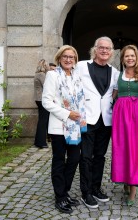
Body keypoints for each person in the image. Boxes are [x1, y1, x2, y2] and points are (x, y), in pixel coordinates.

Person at [42, 45, 86, 214]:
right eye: (65, 56)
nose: (68, 59)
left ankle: (64, 191)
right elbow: (47, 102)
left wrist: (80, 118)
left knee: (75, 158)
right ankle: (60, 197)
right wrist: (67, 114)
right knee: (59, 161)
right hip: (59, 126)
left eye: (71, 57)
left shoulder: (76, 76)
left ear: (75, 60)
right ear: (59, 58)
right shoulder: (52, 75)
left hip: (75, 127)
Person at [76, 36, 119, 209]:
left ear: (111, 52)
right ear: (95, 49)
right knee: (86, 156)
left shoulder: (114, 71)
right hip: (87, 118)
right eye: (101, 47)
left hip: (105, 119)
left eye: (108, 48)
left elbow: (114, 92)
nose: (104, 51)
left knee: (100, 156)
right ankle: (86, 192)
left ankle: (95, 187)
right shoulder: (81, 66)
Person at [111, 45, 138, 206]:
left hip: (137, 115)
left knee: (135, 150)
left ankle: (132, 190)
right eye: (127, 56)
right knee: (121, 149)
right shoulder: (118, 76)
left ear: (136, 57)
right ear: (123, 59)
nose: (130, 58)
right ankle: (125, 181)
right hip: (120, 116)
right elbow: (112, 95)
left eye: (132, 55)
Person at [34, 59, 49, 149]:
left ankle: (38, 141)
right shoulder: (41, 75)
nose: (48, 66)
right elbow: (46, 86)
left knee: (41, 120)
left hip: (39, 99)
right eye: (46, 65)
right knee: (43, 121)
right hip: (42, 99)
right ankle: (41, 142)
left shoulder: (38, 74)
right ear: (44, 66)